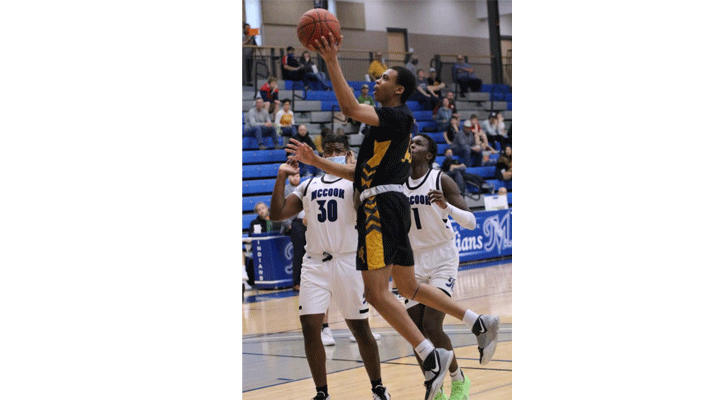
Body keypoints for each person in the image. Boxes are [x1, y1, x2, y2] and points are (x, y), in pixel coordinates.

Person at [287, 33, 499, 400]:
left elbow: (351, 108)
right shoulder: (387, 131)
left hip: (378, 210)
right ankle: (477, 321)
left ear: (399, 90)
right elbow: (362, 174)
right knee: (408, 288)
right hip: (391, 202)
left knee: (376, 292)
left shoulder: (398, 118)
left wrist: (332, 60)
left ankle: (430, 356)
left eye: (384, 78)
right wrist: (316, 161)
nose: (377, 81)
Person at [270, 133, 392, 400]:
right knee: (310, 327)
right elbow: (277, 214)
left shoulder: (355, 182)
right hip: (314, 264)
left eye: (338, 149)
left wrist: (353, 168)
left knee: (360, 329)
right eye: (328, 150)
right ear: (321, 154)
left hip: (348, 261)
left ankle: (378, 387)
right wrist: (281, 176)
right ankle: (322, 392)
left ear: (348, 154)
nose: (332, 153)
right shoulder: (307, 185)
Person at [405, 134, 477, 400]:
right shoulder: (399, 181)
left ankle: (459, 380)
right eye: (411, 143)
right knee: (414, 331)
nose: (413, 146)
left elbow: (471, 221)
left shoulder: (440, 179)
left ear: (429, 155)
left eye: (419, 144)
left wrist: (447, 207)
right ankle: (434, 390)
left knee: (432, 326)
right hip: (411, 260)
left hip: (441, 257)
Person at [284, 171, 305, 292]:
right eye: (293, 176)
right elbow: (280, 207)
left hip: (308, 222)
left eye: (298, 176)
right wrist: (288, 224)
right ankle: (296, 282)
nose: (296, 178)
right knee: (298, 254)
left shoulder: (305, 186)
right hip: (296, 223)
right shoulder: (286, 190)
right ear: (288, 177)